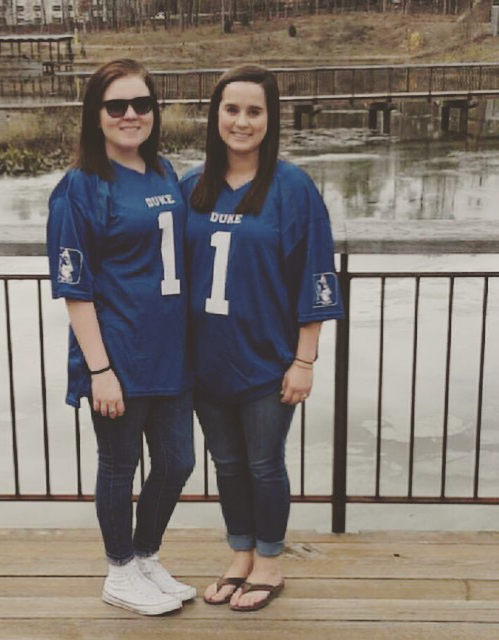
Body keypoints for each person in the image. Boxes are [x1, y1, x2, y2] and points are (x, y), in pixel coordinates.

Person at [179, 65, 343, 612]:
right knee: (226, 464)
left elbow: (316, 273)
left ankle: (270, 561)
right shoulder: (192, 186)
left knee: (264, 463)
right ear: (215, 115)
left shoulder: (292, 188)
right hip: (206, 360)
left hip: (268, 360)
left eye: (254, 111)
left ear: (271, 119)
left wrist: (305, 359)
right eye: (232, 109)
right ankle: (240, 555)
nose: (242, 122)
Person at [47, 59, 195, 616]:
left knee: (178, 462)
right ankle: (119, 570)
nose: (131, 115)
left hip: (171, 351)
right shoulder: (80, 187)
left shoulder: (163, 171)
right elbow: (75, 289)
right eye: (117, 105)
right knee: (119, 464)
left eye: (142, 104)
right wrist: (100, 370)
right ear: (96, 114)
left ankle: (145, 555)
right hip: (117, 353)